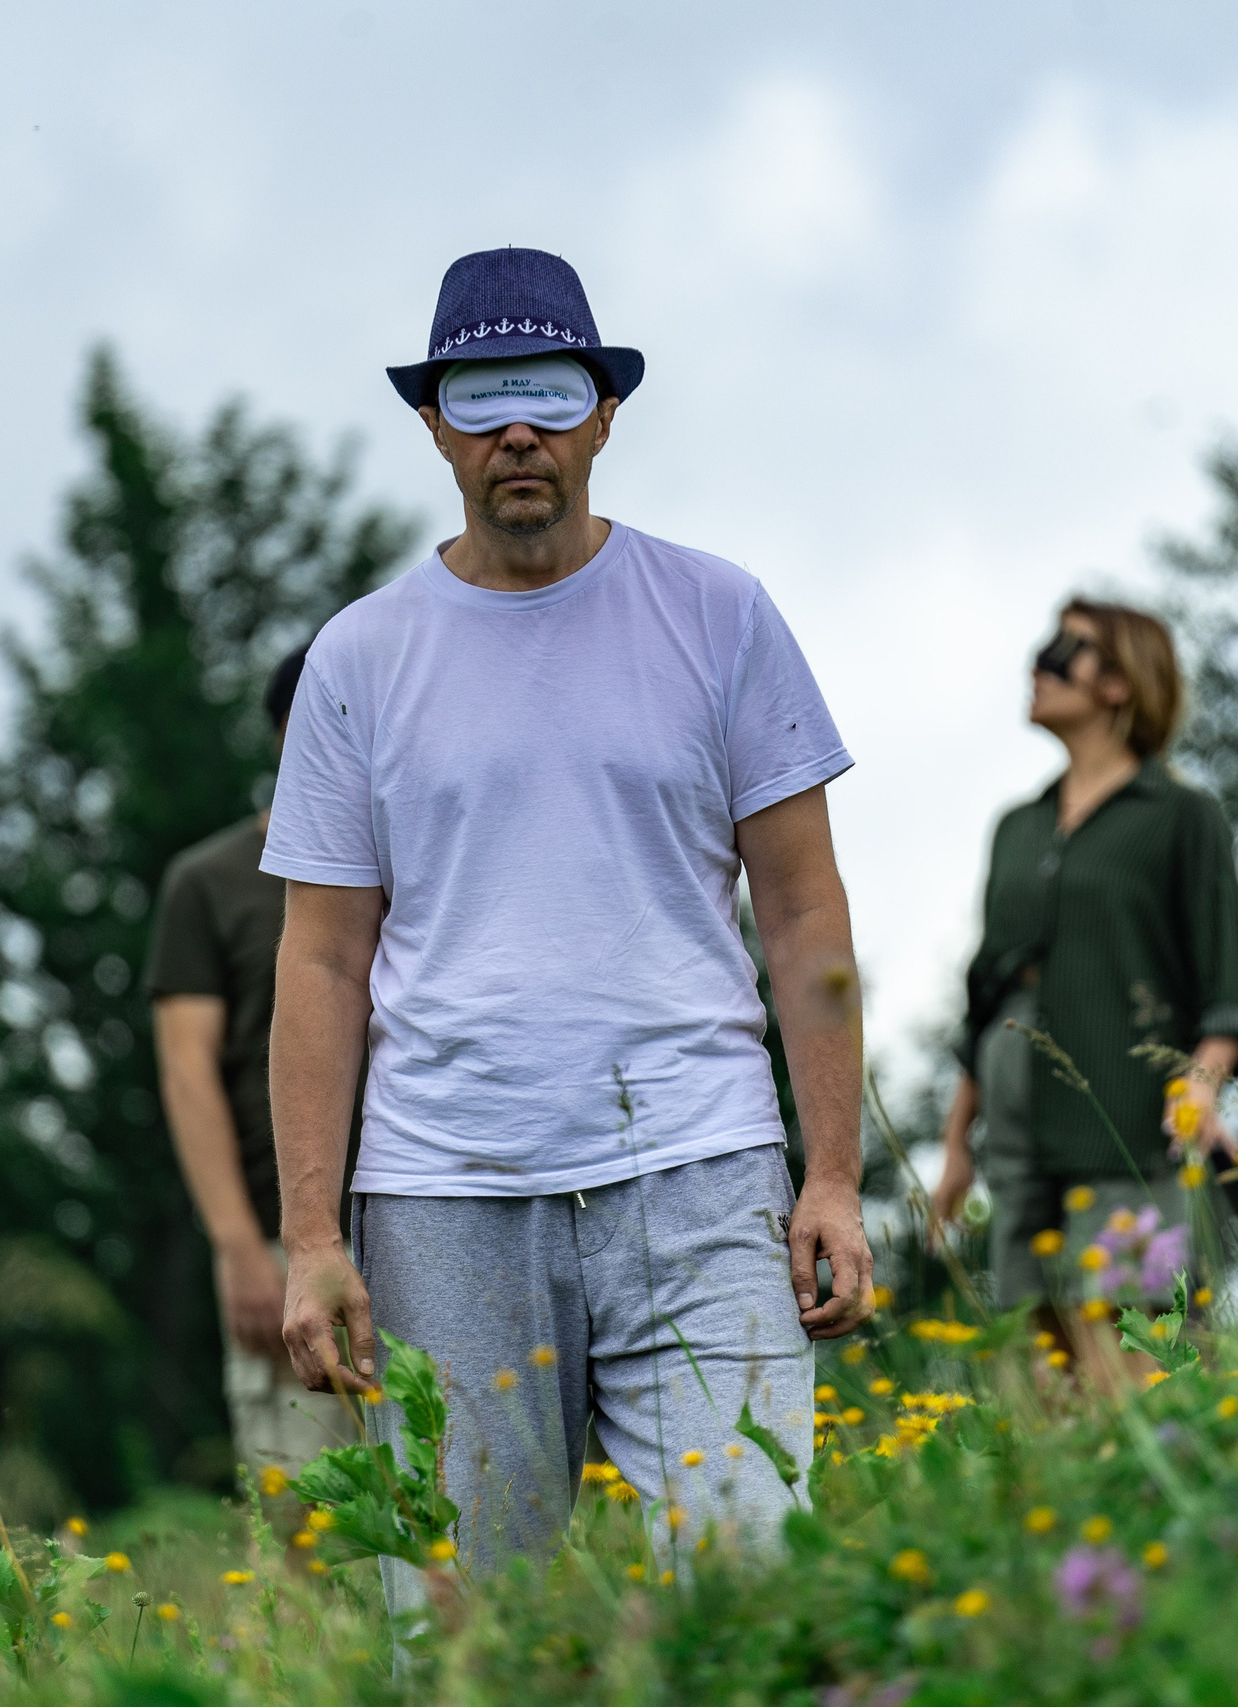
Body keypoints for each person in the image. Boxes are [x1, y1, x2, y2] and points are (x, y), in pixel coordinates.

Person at [260, 247, 872, 1604]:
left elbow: (803, 902)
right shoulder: (359, 660)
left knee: (747, 1587)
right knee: (471, 1630)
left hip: (703, 1169)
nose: (518, 428)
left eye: (549, 389)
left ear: (604, 410)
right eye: (482, 397)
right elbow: (322, 959)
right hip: (444, 1196)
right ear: (435, 426)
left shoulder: (719, 613)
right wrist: (313, 1235)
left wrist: (830, 1172)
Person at [929, 599, 1238, 1330]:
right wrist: (958, 1145)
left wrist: (1200, 1084)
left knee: (1137, 1342)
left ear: (1120, 683)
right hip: (1017, 1133)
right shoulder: (1017, 827)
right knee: (1041, 1348)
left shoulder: (1181, 816)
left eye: (1067, 648)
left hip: (1128, 1117)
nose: (1039, 663)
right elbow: (984, 996)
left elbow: (1232, 985)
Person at [147, 645, 359, 1492]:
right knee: (306, 1502)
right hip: (280, 1230)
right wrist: (238, 1244)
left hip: (426, 1202)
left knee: (458, 1491)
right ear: (284, 735)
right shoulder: (210, 882)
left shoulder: (418, 857)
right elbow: (187, 1073)